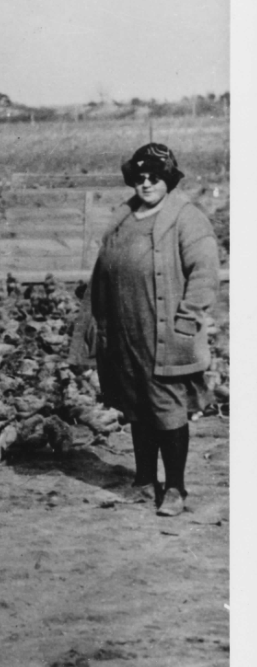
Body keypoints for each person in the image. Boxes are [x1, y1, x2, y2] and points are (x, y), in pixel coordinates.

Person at [69, 143, 219, 517]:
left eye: (155, 177)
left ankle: (175, 489)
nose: (147, 184)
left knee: (167, 411)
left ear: (168, 179)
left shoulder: (186, 218)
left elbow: (205, 275)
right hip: (124, 335)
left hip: (164, 337)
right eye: (140, 177)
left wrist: (186, 322)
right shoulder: (124, 217)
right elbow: (101, 275)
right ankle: (144, 481)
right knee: (136, 409)